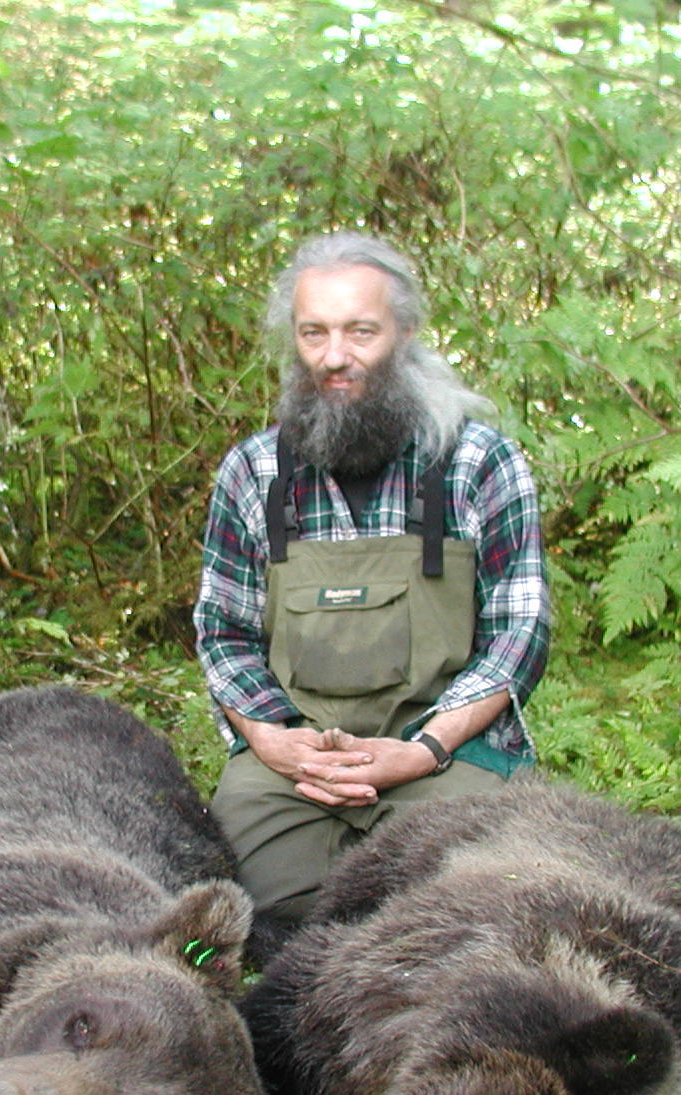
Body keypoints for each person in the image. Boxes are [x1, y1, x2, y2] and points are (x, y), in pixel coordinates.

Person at [193, 231, 550, 952]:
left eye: (361, 332)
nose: (334, 357)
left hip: (447, 753)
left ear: (406, 334)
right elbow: (223, 632)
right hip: (300, 763)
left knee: (487, 898)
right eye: (314, 333)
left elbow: (520, 634)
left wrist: (422, 750)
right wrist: (275, 741)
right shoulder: (253, 472)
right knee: (220, 900)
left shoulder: (478, 462)